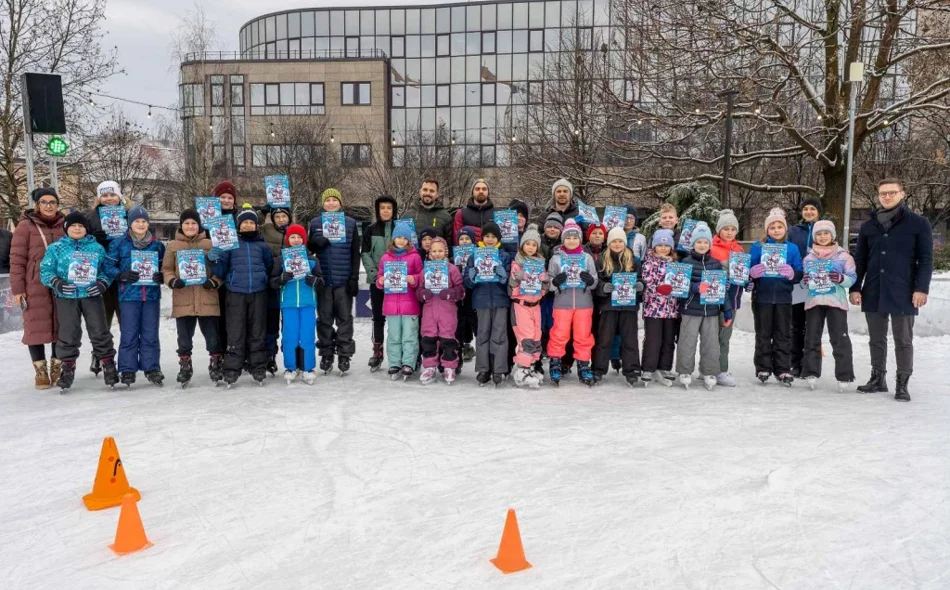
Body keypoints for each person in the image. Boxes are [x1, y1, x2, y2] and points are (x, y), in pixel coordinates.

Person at [850, 178, 933, 401]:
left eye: (892, 192)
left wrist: (921, 289)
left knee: (903, 339)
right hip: (874, 289)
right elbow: (860, 260)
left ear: (902, 194)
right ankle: (878, 378)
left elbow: (925, 259)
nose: (887, 196)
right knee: (876, 338)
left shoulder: (918, 223)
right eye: (883, 193)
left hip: (904, 290)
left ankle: (902, 382)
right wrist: (856, 287)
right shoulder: (869, 226)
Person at [39, 211, 118, 390]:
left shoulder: (96, 248)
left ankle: (108, 364)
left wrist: (102, 283)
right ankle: (67, 368)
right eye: (73, 225)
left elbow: (106, 270)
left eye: (81, 226)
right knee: (68, 333)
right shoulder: (56, 248)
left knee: (100, 330)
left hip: (91, 296)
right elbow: (45, 270)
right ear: (66, 228)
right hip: (67, 297)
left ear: (86, 229)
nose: (77, 228)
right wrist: (56, 282)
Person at [210, 204, 274, 386]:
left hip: (258, 294)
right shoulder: (230, 246)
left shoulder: (262, 246)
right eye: (244, 222)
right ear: (238, 226)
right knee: (235, 333)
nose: (247, 225)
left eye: (250, 222)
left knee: (257, 332)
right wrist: (214, 259)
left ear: (256, 225)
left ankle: (258, 367)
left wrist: (263, 280)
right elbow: (221, 271)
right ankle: (231, 369)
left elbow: (268, 267)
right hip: (236, 294)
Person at [11, 188, 65, 388]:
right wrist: (18, 289)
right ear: (37, 205)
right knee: (35, 325)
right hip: (34, 284)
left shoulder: (64, 225)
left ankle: (57, 366)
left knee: (61, 325)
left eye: (52, 202)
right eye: (44, 202)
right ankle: (40, 370)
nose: (49, 206)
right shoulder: (25, 226)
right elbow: (16, 259)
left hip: (61, 283)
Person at [163, 209, 224, 386]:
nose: (190, 226)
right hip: (184, 300)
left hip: (207, 298)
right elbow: (166, 269)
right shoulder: (173, 246)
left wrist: (215, 281)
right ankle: (185, 365)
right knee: (184, 338)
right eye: (187, 223)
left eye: (193, 223)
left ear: (199, 225)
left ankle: (215, 363)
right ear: (181, 225)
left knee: (212, 336)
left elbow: (220, 268)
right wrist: (172, 280)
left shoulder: (210, 244)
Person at [106, 207, 166, 387]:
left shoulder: (157, 245)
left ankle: (152, 367)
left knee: (150, 333)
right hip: (128, 296)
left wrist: (161, 276)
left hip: (151, 295)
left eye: (144, 221)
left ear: (148, 224)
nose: (141, 224)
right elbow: (107, 267)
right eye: (137, 221)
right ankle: (127, 369)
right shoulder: (119, 243)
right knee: (129, 333)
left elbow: (165, 268)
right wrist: (120, 275)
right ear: (130, 223)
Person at [675, 222, 734, 391]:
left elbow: (721, 290)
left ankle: (709, 371)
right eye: (699, 242)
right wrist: (694, 288)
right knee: (687, 341)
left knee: (711, 343)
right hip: (690, 309)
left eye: (705, 242)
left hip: (711, 311)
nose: (702, 245)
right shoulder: (685, 262)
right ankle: (685, 371)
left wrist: (727, 310)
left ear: (710, 244)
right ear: (693, 243)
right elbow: (678, 287)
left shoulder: (715, 264)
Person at [307, 188, 360, 375]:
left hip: (343, 280)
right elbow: (306, 251)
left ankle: (344, 354)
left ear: (340, 202)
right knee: (324, 319)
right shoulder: (314, 223)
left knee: (345, 318)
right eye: (327, 200)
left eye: (334, 200)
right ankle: (327, 352)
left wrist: (354, 277)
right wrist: (314, 243)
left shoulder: (351, 224)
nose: (330, 203)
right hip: (323, 280)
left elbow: (355, 253)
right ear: (323, 203)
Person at [749, 208, 803, 386]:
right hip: (762, 297)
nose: (776, 230)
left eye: (780, 226)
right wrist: (752, 274)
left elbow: (799, 271)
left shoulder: (792, 248)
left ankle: (783, 369)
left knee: (783, 334)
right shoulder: (757, 247)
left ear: (785, 229)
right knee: (763, 333)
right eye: (772, 227)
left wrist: (792, 274)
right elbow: (747, 270)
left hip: (784, 298)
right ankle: (763, 367)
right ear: (767, 230)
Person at [801, 220, 856, 390]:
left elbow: (852, 278)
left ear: (832, 235)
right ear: (814, 237)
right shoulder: (809, 258)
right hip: (814, 301)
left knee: (840, 338)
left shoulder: (843, 256)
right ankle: (811, 371)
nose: (822, 237)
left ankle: (844, 375)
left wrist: (841, 279)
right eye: (818, 234)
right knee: (811, 337)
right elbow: (804, 283)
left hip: (836, 302)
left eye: (826, 233)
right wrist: (805, 281)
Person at [84, 180, 129, 376]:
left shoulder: (129, 214)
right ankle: (100, 353)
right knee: (103, 318)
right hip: (101, 275)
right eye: (105, 195)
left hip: (125, 274)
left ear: (119, 196)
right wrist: (95, 238)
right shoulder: (91, 217)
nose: (109, 199)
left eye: (112, 194)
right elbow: (81, 242)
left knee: (126, 317)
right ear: (99, 198)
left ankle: (127, 357)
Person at [547, 218, 598, 386]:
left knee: (583, 335)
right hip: (562, 303)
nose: (571, 240)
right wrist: (555, 282)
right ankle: (555, 362)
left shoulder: (587, 258)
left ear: (580, 239)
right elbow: (548, 281)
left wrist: (590, 281)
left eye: (575, 237)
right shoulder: (556, 258)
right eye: (568, 237)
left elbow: (595, 281)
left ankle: (584, 364)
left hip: (584, 303)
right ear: (563, 239)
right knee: (559, 334)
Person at [272, 224, 323, 385]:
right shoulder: (280, 259)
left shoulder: (312, 260)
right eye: (292, 237)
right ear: (287, 239)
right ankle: (291, 367)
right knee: (290, 337)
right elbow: (272, 282)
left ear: (304, 240)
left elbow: (321, 280)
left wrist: (315, 281)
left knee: (307, 336)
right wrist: (281, 279)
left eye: (299, 237)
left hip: (308, 303)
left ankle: (308, 368)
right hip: (289, 304)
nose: (296, 240)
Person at [592, 226, 643, 386]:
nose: (617, 244)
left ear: (625, 242)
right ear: (609, 242)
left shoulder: (634, 260)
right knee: (604, 338)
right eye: (614, 241)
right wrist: (602, 288)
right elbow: (597, 281)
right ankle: (598, 369)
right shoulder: (601, 259)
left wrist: (641, 286)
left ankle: (632, 369)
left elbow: (641, 279)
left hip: (628, 306)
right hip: (608, 307)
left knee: (629, 339)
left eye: (620, 241)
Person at [463, 221, 512, 386]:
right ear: (482, 237)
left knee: (499, 335)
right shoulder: (474, 256)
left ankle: (499, 369)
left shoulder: (504, 256)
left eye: (493, 236)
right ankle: (483, 369)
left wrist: (504, 276)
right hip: (481, 301)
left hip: (500, 301)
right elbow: (467, 284)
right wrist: (471, 277)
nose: (490, 239)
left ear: (498, 238)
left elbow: (511, 282)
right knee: (483, 335)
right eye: (487, 236)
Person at [376, 223, 423, 380]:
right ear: (393, 239)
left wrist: (414, 279)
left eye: (405, 238)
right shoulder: (385, 258)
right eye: (399, 237)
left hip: (410, 305)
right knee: (394, 336)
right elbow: (379, 278)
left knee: (409, 336)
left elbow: (421, 277)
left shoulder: (415, 257)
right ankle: (394, 363)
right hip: (391, 306)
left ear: (409, 241)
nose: (402, 241)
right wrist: (381, 281)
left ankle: (408, 363)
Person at [418, 236, 464, 385]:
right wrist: (423, 294)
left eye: (440, 250)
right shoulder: (425, 270)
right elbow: (419, 289)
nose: (437, 253)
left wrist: (452, 293)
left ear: (445, 251)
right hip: (430, 310)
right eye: (434, 251)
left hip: (447, 310)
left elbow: (461, 289)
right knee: (428, 338)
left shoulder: (452, 269)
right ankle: (430, 366)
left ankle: (449, 366)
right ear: (429, 252)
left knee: (448, 338)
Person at [508, 224, 549, 388]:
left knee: (536, 337)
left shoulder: (540, 263)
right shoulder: (517, 263)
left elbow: (544, 290)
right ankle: (522, 370)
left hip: (535, 305)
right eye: (528, 244)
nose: (531, 247)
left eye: (534, 244)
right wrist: (517, 278)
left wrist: (545, 282)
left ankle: (531, 367)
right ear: (522, 245)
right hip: (521, 305)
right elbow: (511, 290)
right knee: (526, 338)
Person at [709, 209, 745, 387]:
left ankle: (721, 369)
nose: (729, 232)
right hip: (714, 300)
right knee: (711, 336)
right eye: (726, 228)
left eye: (732, 229)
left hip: (733, 301)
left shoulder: (739, 250)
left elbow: (743, 276)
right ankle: (709, 369)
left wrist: (748, 282)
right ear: (719, 230)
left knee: (724, 336)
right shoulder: (711, 249)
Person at [361, 194, 397, 371]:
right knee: (378, 317)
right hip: (378, 282)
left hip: (399, 282)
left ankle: (401, 351)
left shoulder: (400, 228)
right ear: (378, 210)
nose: (385, 211)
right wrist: (376, 276)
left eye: (389, 208)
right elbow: (366, 254)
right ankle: (378, 350)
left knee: (399, 317)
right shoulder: (370, 230)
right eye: (382, 208)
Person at [788, 197, 822, 377]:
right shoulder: (794, 231)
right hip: (798, 284)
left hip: (818, 284)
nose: (809, 212)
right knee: (796, 325)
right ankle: (795, 363)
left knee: (814, 326)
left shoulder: (824, 230)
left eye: (813, 209)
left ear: (818, 212)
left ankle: (811, 364)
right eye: (806, 209)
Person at [640, 229, 679, 387]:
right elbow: (646, 282)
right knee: (653, 340)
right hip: (653, 309)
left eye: (666, 245)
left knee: (668, 340)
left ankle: (664, 366)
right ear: (654, 246)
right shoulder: (649, 263)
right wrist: (657, 289)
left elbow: (680, 283)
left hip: (671, 309)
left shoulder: (675, 264)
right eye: (660, 245)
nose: (663, 248)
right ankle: (648, 367)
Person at [261, 206, 292, 375]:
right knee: (271, 322)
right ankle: (270, 354)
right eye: (277, 216)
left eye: (284, 216)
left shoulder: (295, 231)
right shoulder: (265, 230)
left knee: (288, 323)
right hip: (272, 282)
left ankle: (290, 354)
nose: (281, 219)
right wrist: (262, 214)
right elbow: (246, 228)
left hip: (291, 284)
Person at [211, 180, 239, 363]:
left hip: (236, 272)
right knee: (217, 316)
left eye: (230, 197)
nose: (226, 200)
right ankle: (219, 353)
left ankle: (236, 351)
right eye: (222, 197)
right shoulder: (207, 218)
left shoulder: (240, 216)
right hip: (215, 272)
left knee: (235, 316)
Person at [454, 226, 478, 365]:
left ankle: (477, 351)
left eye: (467, 238)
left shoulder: (477, 255)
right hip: (459, 297)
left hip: (473, 294)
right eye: (461, 239)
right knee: (459, 324)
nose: (464, 241)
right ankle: (460, 353)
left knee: (475, 324)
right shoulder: (454, 256)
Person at [406, 179, 453, 245]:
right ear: (420, 191)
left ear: (437, 194)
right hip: (414, 255)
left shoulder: (446, 217)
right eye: (425, 190)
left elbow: (449, 245)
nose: (428, 193)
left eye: (432, 191)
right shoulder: (407, 216)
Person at [452, 178, 496, 244]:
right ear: (472, 192)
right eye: (477, 189)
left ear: (488, 192)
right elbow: (456, 239)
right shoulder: (461, 213)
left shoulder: (498, 213)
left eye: (484, 189)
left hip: (492, 253)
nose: (481, 191)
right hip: (469, 253)